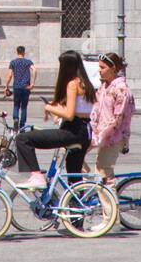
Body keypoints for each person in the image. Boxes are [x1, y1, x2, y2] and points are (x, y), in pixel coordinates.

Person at [15, 50, 96, 188]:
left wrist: (49, 108)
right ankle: (76, 205)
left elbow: (70, 114)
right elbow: (78, 109)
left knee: (22, 139)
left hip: (72, 130)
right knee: (74, 174)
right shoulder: (85, 83)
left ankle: (36, 175)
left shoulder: (72, 84)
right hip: (85, 131)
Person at [89, 52, 135, 187]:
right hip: (99, 133)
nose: (99, 70)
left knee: (104, 171)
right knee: (75, 158)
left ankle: (110, 207)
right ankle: (85, 190)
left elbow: (118, 118)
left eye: (103, 67)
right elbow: (96, 109)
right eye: (99, 67)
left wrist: (102, 135)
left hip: (113, 136)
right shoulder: (104, 86)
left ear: (113, 68)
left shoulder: (121, 89)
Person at [4, 45, 35, 130]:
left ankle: (16, 119)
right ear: (24, 52)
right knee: (24, 106)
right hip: (26, 87)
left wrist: (6, 86)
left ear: (17, 52)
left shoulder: (13, 62)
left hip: (16, 86)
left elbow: (10, 75)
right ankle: (22, 124)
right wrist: (32, 83)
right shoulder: (28, 62)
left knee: (16, 105)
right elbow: (35, 70)